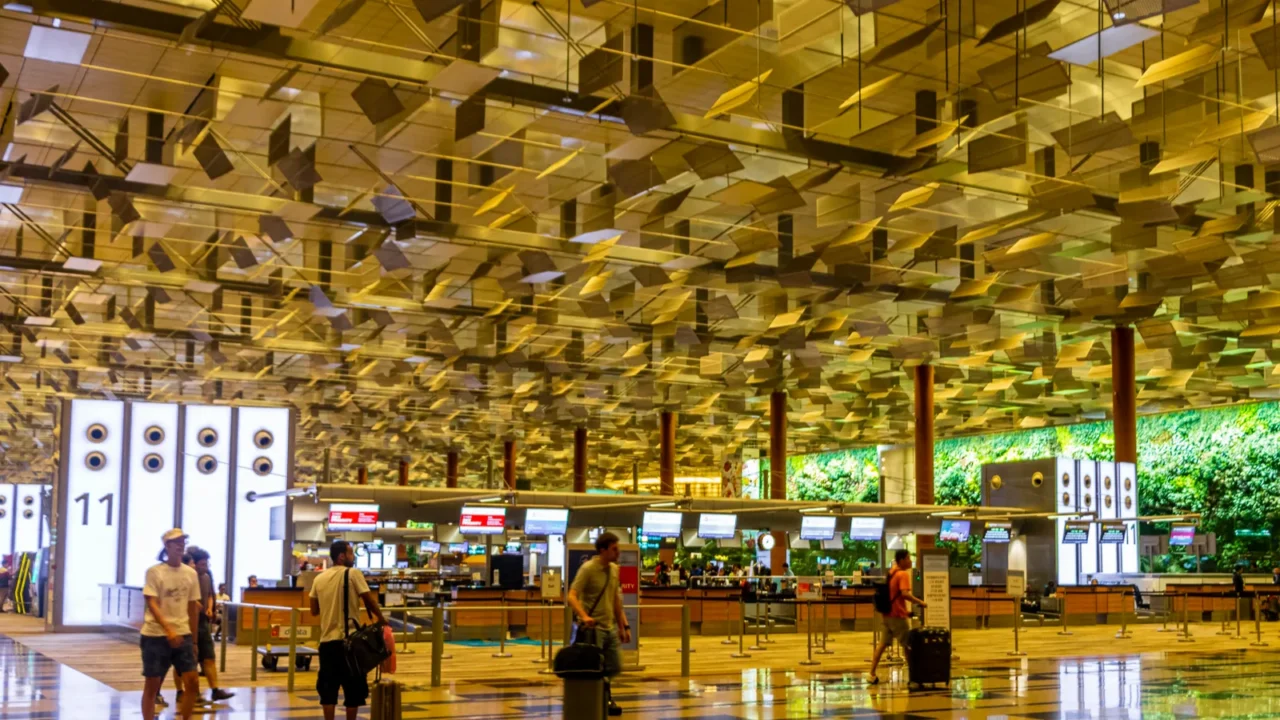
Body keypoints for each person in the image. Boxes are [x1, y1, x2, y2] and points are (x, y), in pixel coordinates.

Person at [309, 540, 387, 720]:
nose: (354, 557)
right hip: (349, 642)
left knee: (328, 688)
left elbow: (314, 610)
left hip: (326, 642)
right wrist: (381, 619)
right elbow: (368, 599)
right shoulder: (352, 573)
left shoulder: (318, 578)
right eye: (351, 553)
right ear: (342, 556)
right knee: (353, 688)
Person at [567, 532, 630, 717]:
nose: (618, 553)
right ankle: (603, 698)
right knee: (594, 667)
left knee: (615, 665)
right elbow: (571, 595)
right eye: (614, 549)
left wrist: (624, 626)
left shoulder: (614, 570)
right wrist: (584, 616)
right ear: (603, 550)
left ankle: (603, 693)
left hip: (609, 628)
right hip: (593, 629)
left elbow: (615, 600)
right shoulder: (588, 569)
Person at [140, 529, 201, 720]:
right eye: (176, 542)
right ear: (167, 546)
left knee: (192, 682)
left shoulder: (191, 573)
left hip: (183, 633)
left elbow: (192, 607)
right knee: (153, 682)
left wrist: (194, 641)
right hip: (155, 635)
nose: (181, 545)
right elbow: (152, 603)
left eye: (183, 541)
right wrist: (168, 630)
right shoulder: (155, 572)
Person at [868, 549, 927, 685]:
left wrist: (908, 613)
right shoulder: (902, 574)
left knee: (882, 645)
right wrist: (920, 602)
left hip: (887, 615)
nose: (910, 561)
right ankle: (914, 677)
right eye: (908, 558)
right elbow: (904, 594)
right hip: (897, 617)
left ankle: (871, 674)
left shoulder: (891, 572)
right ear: (901, 560)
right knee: (908, 645)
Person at [188, 547, 234, 703]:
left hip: (202, 622)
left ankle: (215, 690)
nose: (204, 566)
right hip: (187, 623)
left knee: (209, 657)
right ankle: (191, 692)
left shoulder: (206, 577)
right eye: (201, 563)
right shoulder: (187, 577)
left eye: (206, 563)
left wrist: (209, 607)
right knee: (190, 660)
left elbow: (209, 594)